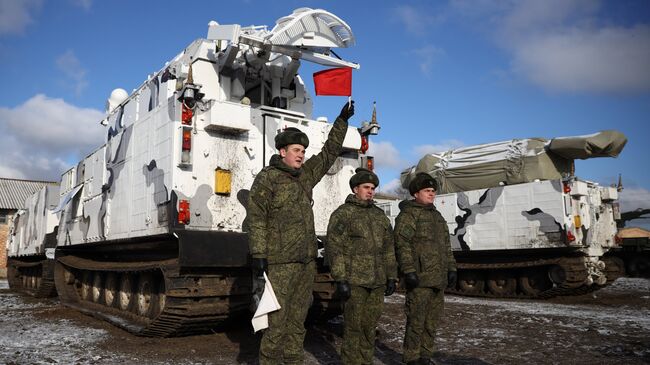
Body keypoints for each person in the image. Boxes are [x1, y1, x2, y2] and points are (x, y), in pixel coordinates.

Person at [247, 101, 355, 365]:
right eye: (296, 150)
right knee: (276, 322)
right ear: (282, 151)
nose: (301, 155)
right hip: (280, 263)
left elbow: (329, 154)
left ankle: (294, 361)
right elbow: (257, 218)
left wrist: (342, 121)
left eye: (304, 151)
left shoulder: (305, 176)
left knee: (298, 321)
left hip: (306, 263)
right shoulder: (267, 178)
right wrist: (259, 253)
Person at [326, 168, 397, 365]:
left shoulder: (379, 216)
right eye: (366, 187)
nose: (370, 191)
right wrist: (340, 279)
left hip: (377, 282)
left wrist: (392, 275)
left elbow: (388, 248)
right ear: (355, 188)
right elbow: (335, 248)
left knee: (369, 328)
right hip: (354, 281)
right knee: (352, 328)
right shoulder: (343, 214)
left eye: (373, 188)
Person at [394, 173, 457, 365]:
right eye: (427, 191)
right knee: (416, 322)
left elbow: (446, 245)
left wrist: (452, 268)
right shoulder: (409, 215)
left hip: (438, 278)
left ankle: (425, 356)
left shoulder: (437, 216)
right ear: (416, 193)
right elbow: (401, 243)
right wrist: (408, 270)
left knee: (432, 323)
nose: (431, 194)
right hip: (420, 278)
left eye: (433, 191)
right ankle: (412, 358)